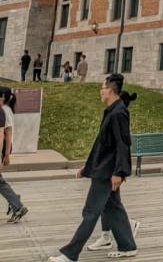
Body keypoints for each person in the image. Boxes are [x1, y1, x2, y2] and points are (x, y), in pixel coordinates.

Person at [47, 73, 138, 262]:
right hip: (104, 169)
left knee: (90, 212)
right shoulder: (112, 110)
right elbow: (101, 145)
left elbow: (123, 145)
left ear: (110, 90)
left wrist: (119, 173)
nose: (100, 91)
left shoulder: (119, 112)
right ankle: (128, 246)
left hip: (107, 172)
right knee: (113, 208)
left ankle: (70, 254)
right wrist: (87, 168)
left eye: (102, 88)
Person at [0, 87, 28, 223]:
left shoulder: (5, 111)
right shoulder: (5, 110)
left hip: (2, 148)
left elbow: (7, 133)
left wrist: (6, 154)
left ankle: (17, 204)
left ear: (2, 97)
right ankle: (15, 201)